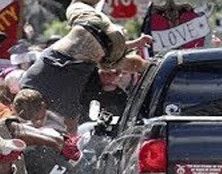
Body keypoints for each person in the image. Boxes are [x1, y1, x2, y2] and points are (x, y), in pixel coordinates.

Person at [21, 0, 151, 132]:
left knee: (109, 62)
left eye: (36, 118)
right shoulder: (27, 81)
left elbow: (71, 128)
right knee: (75, 5)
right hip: (91, 27)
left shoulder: (60, 103)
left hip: (112, 43)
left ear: (42, 105)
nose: (36, 122)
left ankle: (152, 68)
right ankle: (144, 57)